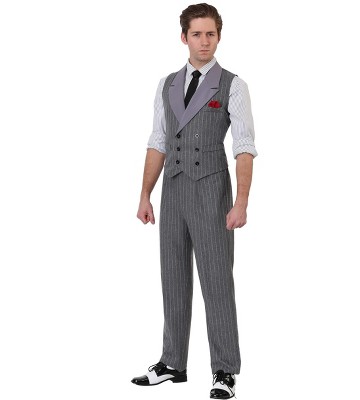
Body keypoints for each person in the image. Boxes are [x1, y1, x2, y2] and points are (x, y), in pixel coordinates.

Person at [131, 3, 257, 399]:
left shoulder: (233, 85)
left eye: (211, 34)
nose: (205, 42)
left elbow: (244, 147)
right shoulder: (167, 84)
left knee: (217, 281)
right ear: (184, 37)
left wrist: (241, 202)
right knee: (173, 277)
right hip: (173, 190)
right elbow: (158, 141)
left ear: (219, 37)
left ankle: (224, 370)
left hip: (212, 191)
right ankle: (173, 363)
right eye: (197, 34)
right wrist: (145, 194)